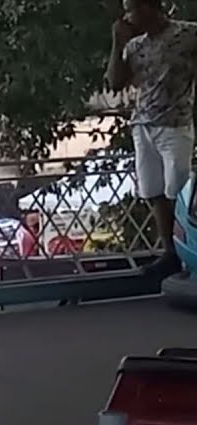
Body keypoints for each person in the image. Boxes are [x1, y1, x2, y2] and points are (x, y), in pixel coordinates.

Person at [106, 0, 197, 278]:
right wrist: (117, 43)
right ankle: (170, 253)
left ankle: (187, 252)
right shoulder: (135, 46)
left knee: (178, 190)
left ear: (148, 8)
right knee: (154, 191)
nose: (128, 15)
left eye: (132, 9)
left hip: (175, 123)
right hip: (143, 125)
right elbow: (114, 82)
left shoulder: (188, 34)